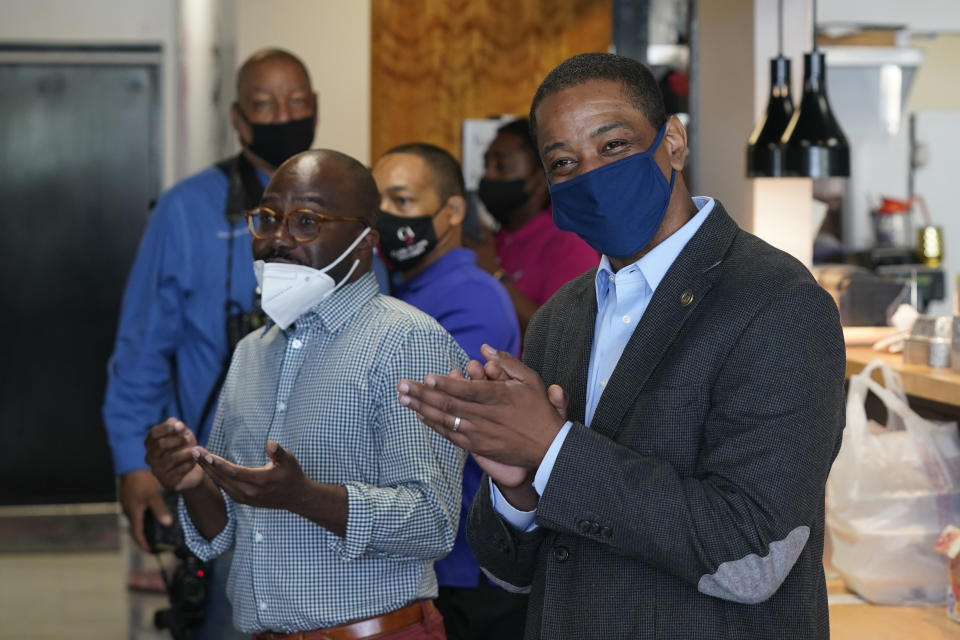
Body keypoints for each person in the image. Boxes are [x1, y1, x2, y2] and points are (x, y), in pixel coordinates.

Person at [396, 53, 846, 639]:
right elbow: (511, 573)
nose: (592, 174)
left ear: (674, 142)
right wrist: (517, 483)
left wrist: (553, 448)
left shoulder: (778, 303)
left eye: (613, 146)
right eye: (564, 161)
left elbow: (750, 559)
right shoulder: (560, 318)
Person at [145, 149, 466, 638]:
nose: (276, 239)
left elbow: (433, 521)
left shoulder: (407, 341)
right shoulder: (253, 351)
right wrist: (192, 481)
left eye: (307, 222)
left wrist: (306, 497)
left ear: (363, 242)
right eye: (267, 219)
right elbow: (226, 530)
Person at [102, 47, 320, 638]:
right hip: (219, 486)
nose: (284, 114)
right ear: (237, 118)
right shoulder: (186, 209)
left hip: (328, 487)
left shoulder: (341, 204)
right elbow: (142, 348)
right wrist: (134, 463)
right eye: (265, 104)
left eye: (298, 102)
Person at [372, 143, 526, 640]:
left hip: (463, 564)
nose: (387, 218)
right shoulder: (403, 292)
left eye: (402, 201)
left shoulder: (470, 296)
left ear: (453, 210)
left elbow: (413, 414)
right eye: (379, 205)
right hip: (426, 562)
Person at [475, 118, 598, 333]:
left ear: (539, 180)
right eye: (486, 166)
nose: (488, 176)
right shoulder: (496, 238)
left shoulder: (569, 245)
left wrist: (493, 273)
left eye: (500, 167)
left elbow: (557, 334)